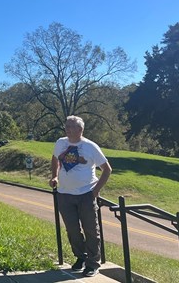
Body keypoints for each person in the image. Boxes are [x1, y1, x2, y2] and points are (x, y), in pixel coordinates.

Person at [48, 115, 112, 278]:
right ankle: (80, 257)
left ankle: (93, 263)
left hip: (85, 194)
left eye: (71, 126)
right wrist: (54, 176)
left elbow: (107, 169)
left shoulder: (90, 147)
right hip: (64, 194)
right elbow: (55, 159)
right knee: (72, 230)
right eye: (66, 126)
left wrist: (95, 191)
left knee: (91, 230)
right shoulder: (60, 143)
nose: (67, 129)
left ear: (80, 130)